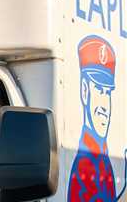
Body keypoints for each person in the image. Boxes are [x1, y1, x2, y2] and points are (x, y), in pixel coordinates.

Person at [68, 36, 117, 201]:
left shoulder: (103, 159)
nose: (105, 106)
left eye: (107, 92)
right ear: (84, 91)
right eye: (98, 90)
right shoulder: (85, 165)